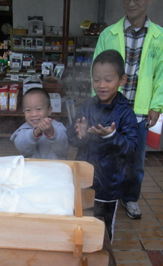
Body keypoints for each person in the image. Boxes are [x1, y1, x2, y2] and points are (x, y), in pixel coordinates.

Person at [93, 0, 163, 219]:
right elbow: (95, 70)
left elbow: (161, 74)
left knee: (135, 160)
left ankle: (130, 198)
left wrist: (156, 105)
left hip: (140, 111)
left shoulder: (159, 36)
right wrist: (97, 104)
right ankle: (104, 193)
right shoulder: (108, 34)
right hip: (111, 108)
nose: (132, 3)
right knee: (106, 154)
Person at [67, 50, 139, 241]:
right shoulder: (86, 106)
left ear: (122, 80)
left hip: (110, 184)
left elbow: (132, 146)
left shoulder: (125, 112)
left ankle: (102, 256)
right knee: (80, 220)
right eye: (96, 79)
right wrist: (78, 134)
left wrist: (112, 136)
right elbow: (71, 139)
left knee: (102, 228)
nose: (101, 85)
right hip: (83, 179)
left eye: (108, 79)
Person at [10, 87, 68, 160]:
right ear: (23, 111)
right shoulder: (23, 130)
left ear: (49, 110)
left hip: (55, 169)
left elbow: (63, 148)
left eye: (39, 109)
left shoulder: (58, 127)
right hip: (32, 169)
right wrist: (34, 133)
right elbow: (21, 146)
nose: (33, 114)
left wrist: (51, 132)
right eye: (28, 110)